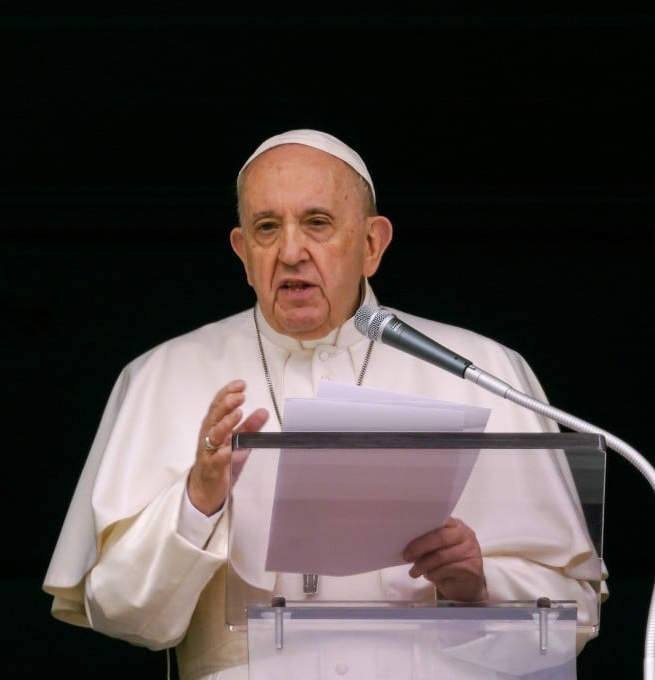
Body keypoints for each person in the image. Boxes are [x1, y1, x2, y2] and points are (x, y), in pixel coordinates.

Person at [43, 129, 607, 679]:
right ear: (242, 250)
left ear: (371, 244)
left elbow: (574, 617)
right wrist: (197, 501)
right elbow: (119, 614)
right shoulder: (163, 375)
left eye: (317, 223)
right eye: (267, 227)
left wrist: (479, 585)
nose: (291, 251)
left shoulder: (481, 371)